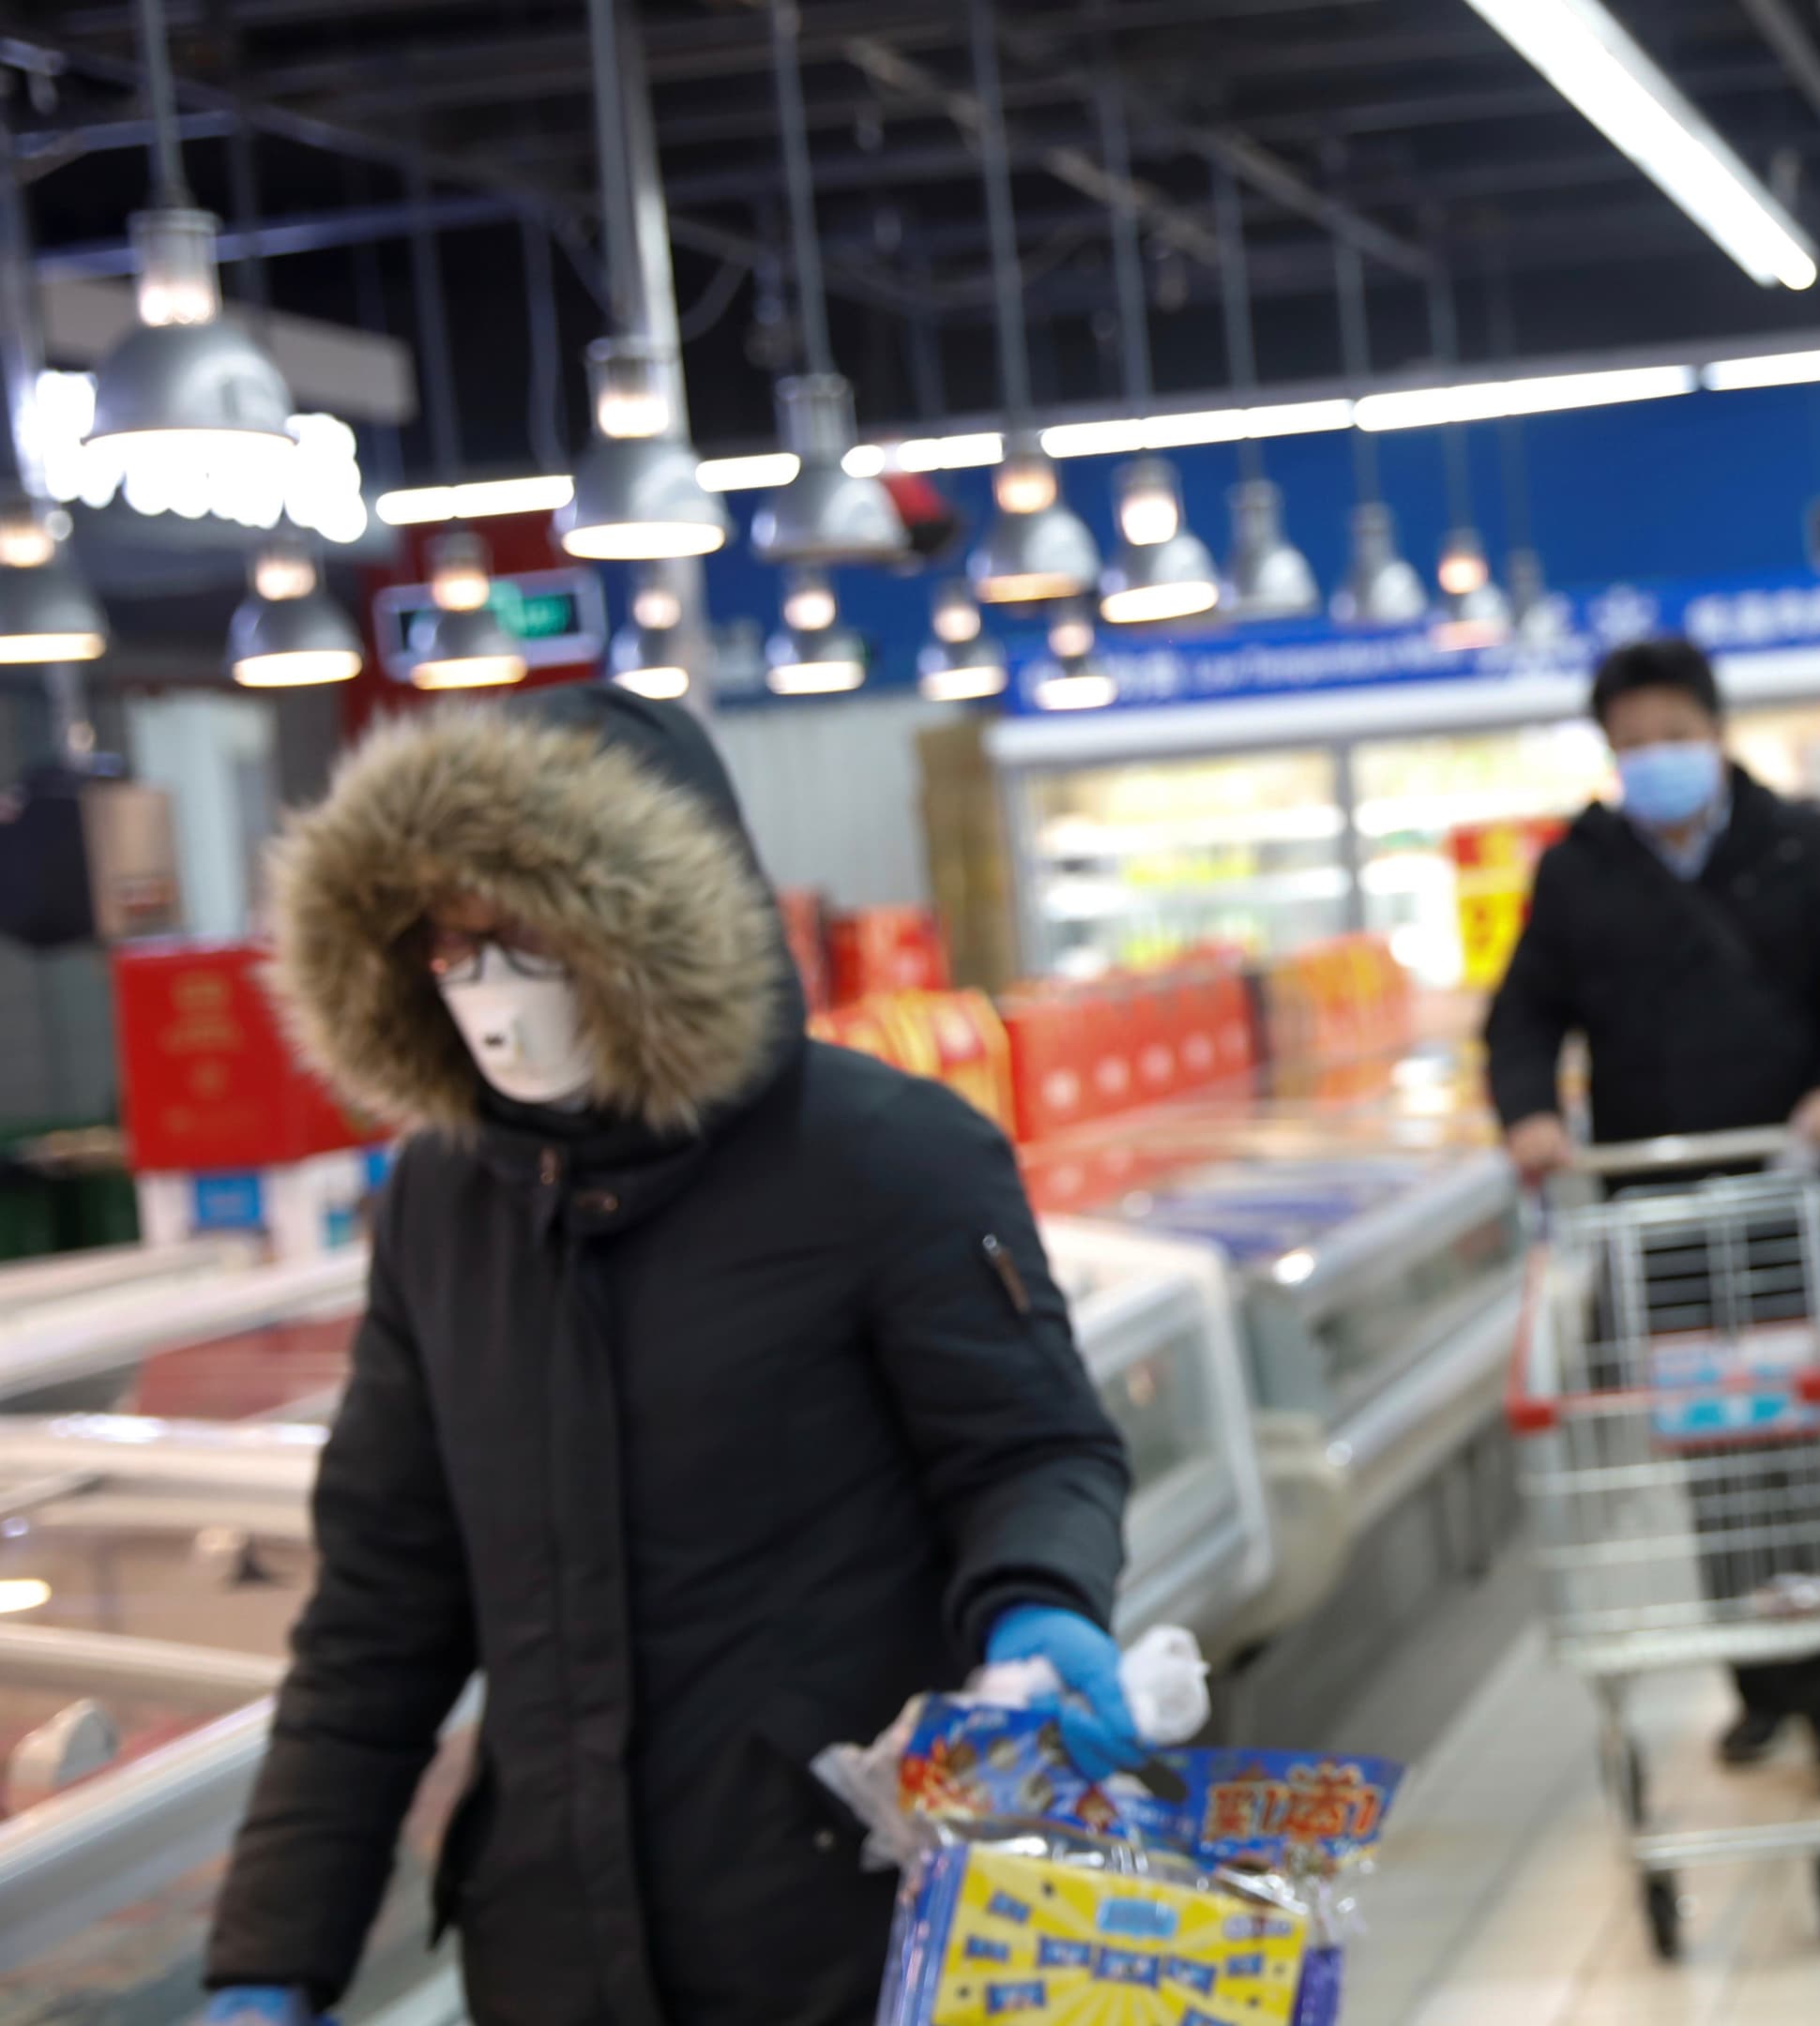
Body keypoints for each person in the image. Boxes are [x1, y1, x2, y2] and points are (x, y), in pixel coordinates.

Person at [205, 687, 1136, 2026]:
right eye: (447, 943)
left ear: (647, 920)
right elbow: (378, 1617)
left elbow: (1029, 1449)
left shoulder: (885, 1155)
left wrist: (1039, 1601)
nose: (486, 981)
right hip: (550, 1958)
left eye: (519, 931)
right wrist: (270, 1958)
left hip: (854, 1930)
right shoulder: (441, 1205)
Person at [1485, 635, 1820, 1791]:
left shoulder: (1801, 849)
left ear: (1715, 733)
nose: (1654, 760)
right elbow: (1522, 1018)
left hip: (1789, 1202)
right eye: (1632, 745)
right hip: (1656, 1213)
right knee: (1710, 1447)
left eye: (1673, 736)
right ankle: (1757, 1680)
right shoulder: (1579, 874)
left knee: (1791, 1439)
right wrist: (1528, 1113)